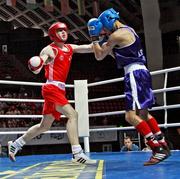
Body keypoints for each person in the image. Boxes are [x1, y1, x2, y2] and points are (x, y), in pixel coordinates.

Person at [87, 8, 170, 166]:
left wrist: (94, 37)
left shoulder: (116, 35)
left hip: (134, 75)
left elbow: (99, 56)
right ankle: (164, 145)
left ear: (108, 23)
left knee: (130, 116)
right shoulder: (128, 30)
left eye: (104, 27)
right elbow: (114, 53)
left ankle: (156, 149)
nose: (104, 31)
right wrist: (103, 43)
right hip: (142, 72)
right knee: (144, 115)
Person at [8, 22, 95, 164]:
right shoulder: (49, 50)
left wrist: (103, 42)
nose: (64, 33)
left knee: (45, 126)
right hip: (52, 88)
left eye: (65, 31)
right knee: (73, 115)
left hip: (59, 88)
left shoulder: (69, 48)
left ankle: (16, 144)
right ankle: (77, 153)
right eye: (60, 31)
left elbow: (87, 47)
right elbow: (39, 63)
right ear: (53, 34)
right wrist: (37, 65)